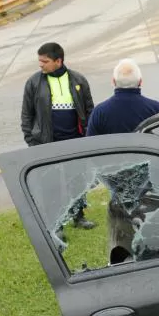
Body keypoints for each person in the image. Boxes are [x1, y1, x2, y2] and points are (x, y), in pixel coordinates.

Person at [21, 42, 96, 228]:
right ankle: (57, 225)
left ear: (58, 61)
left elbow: (89, 110)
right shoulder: (33, 83)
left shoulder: (78, 80)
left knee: (77, 181)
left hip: (75, 141)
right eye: (39, 61)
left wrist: (88, 137)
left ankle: (79, 216)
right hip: (47, 144)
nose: (40, 65)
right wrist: (31, 141)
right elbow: (26, 115)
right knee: (51, 186)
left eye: (44, 61)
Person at [86, 59, 159, 136]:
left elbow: (91, 143)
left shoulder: (99, 113)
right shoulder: (156, 109)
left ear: (114, 81)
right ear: (140, 82)